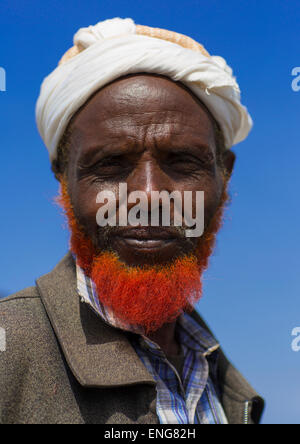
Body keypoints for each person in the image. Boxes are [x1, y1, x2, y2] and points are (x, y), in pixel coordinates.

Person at [0, 18, 264, 424]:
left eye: (182, 162)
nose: (148, 195)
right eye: (111, 164)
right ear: (63, 177)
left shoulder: (226, 388)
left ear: (224, 174)